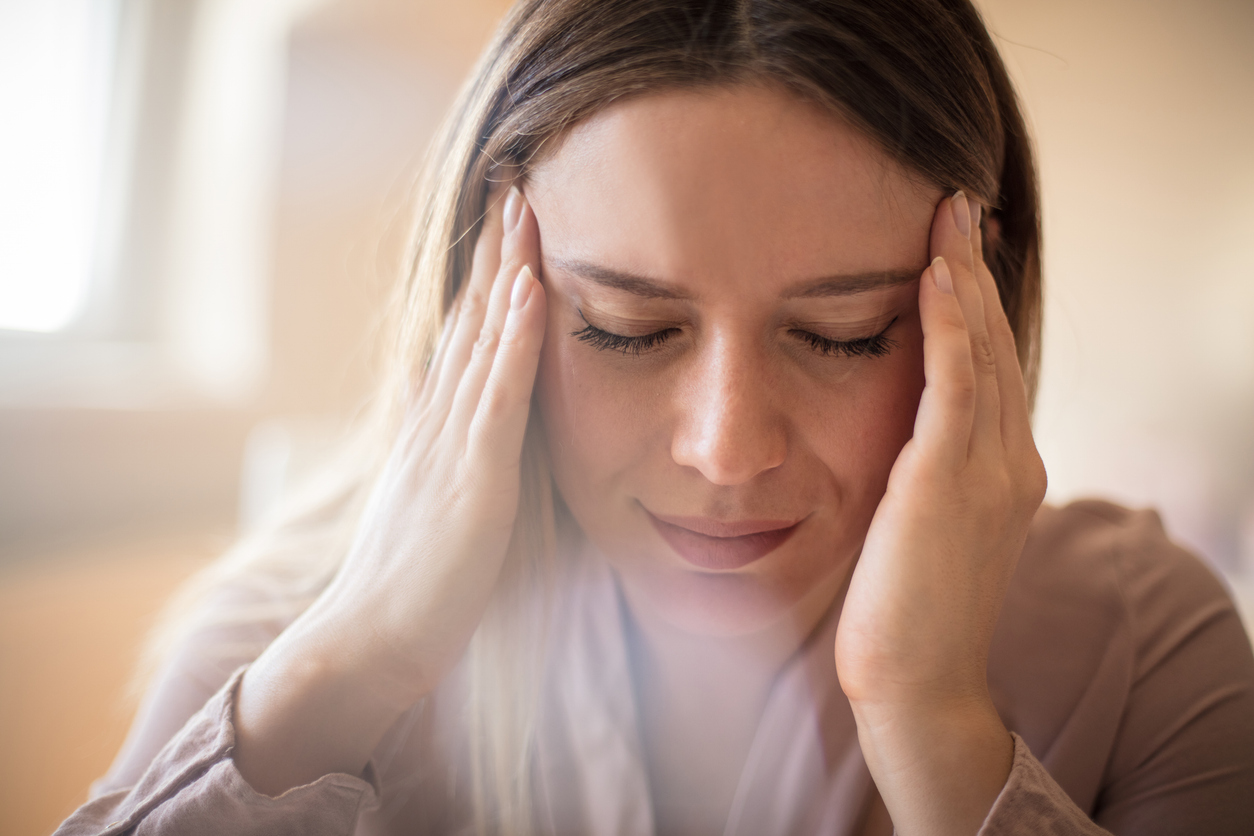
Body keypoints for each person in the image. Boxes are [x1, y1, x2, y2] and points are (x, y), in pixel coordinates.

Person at [56, 0, 1254, 834]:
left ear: (981, 303)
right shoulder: (295, 644)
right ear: (489, 300)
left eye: (843, 334)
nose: (726, 447)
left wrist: (929, 711)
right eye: (628, 327)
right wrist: (356, 661)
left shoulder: (1147, 645)